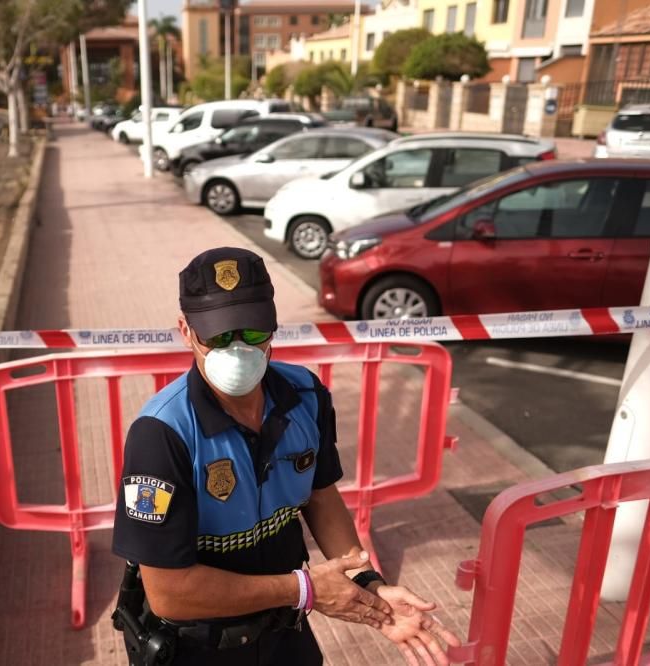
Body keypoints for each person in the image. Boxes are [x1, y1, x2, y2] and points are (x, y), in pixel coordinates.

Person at [112, 247, 459, 666]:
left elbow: (320, 495)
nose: (238, 348)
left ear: (273, 327)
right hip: (197, 649)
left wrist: (367, 585)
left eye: (253, 333)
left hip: (285, 636)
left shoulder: (305, 396)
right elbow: (170, 592)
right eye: (219, 336)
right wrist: (305, 590)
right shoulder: (162, 434)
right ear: (186, 331)